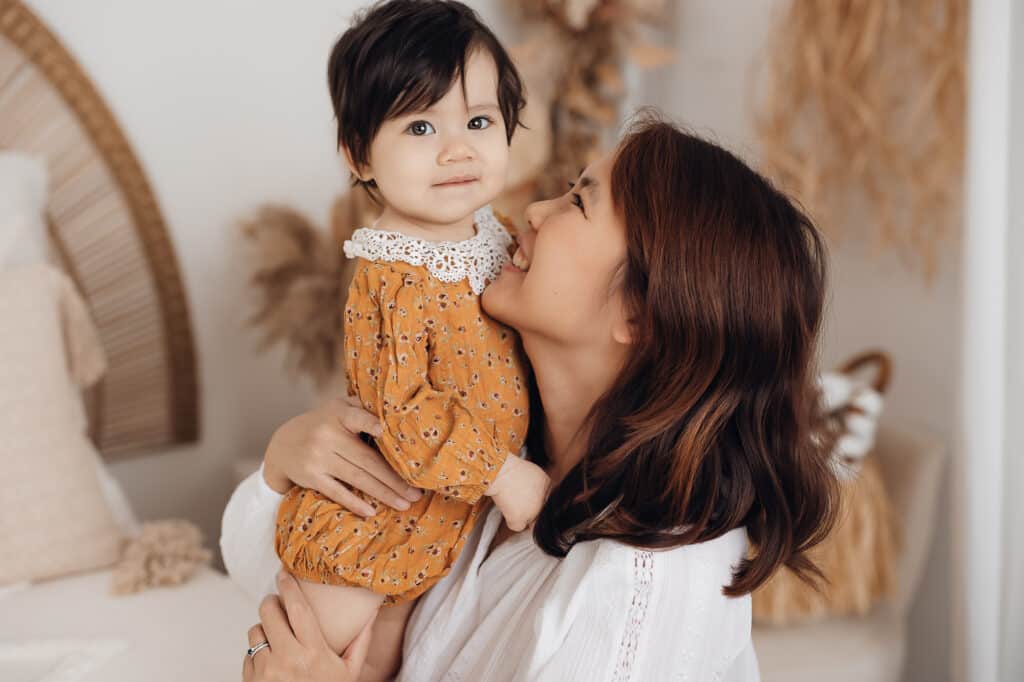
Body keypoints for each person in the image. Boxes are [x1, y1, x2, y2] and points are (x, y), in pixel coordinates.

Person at [222, 112, 840, 681]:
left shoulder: (646, 586)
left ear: (642, 313)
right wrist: (283, 467)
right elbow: (283, 589)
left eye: (579, 200)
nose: (536, 211)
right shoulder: (490, 445)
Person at [263, 0, 551, 659]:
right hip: (376, 518)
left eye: (479, 120)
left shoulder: (490, 234)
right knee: (323, 652)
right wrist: (502, 474)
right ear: (358, 156)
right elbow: (403, 415)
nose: (457, 149)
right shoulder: (394, 274)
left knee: (401, 663)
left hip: (441, 524)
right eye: (420, 127)